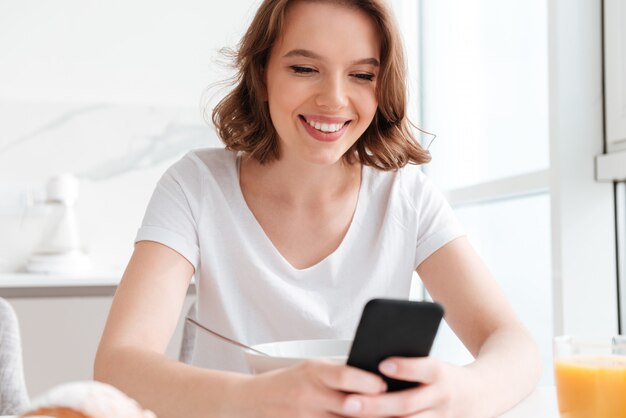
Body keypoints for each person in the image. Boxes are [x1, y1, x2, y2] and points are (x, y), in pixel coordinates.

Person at [94, 0, 541, 417]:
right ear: (262, 73)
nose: (334, 99)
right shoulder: (196, 185)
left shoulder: (406, 197)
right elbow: (118, 365)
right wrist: (259, 397)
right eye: (305, 68)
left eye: (362, 75)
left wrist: (457, 391)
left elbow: (516, 348)